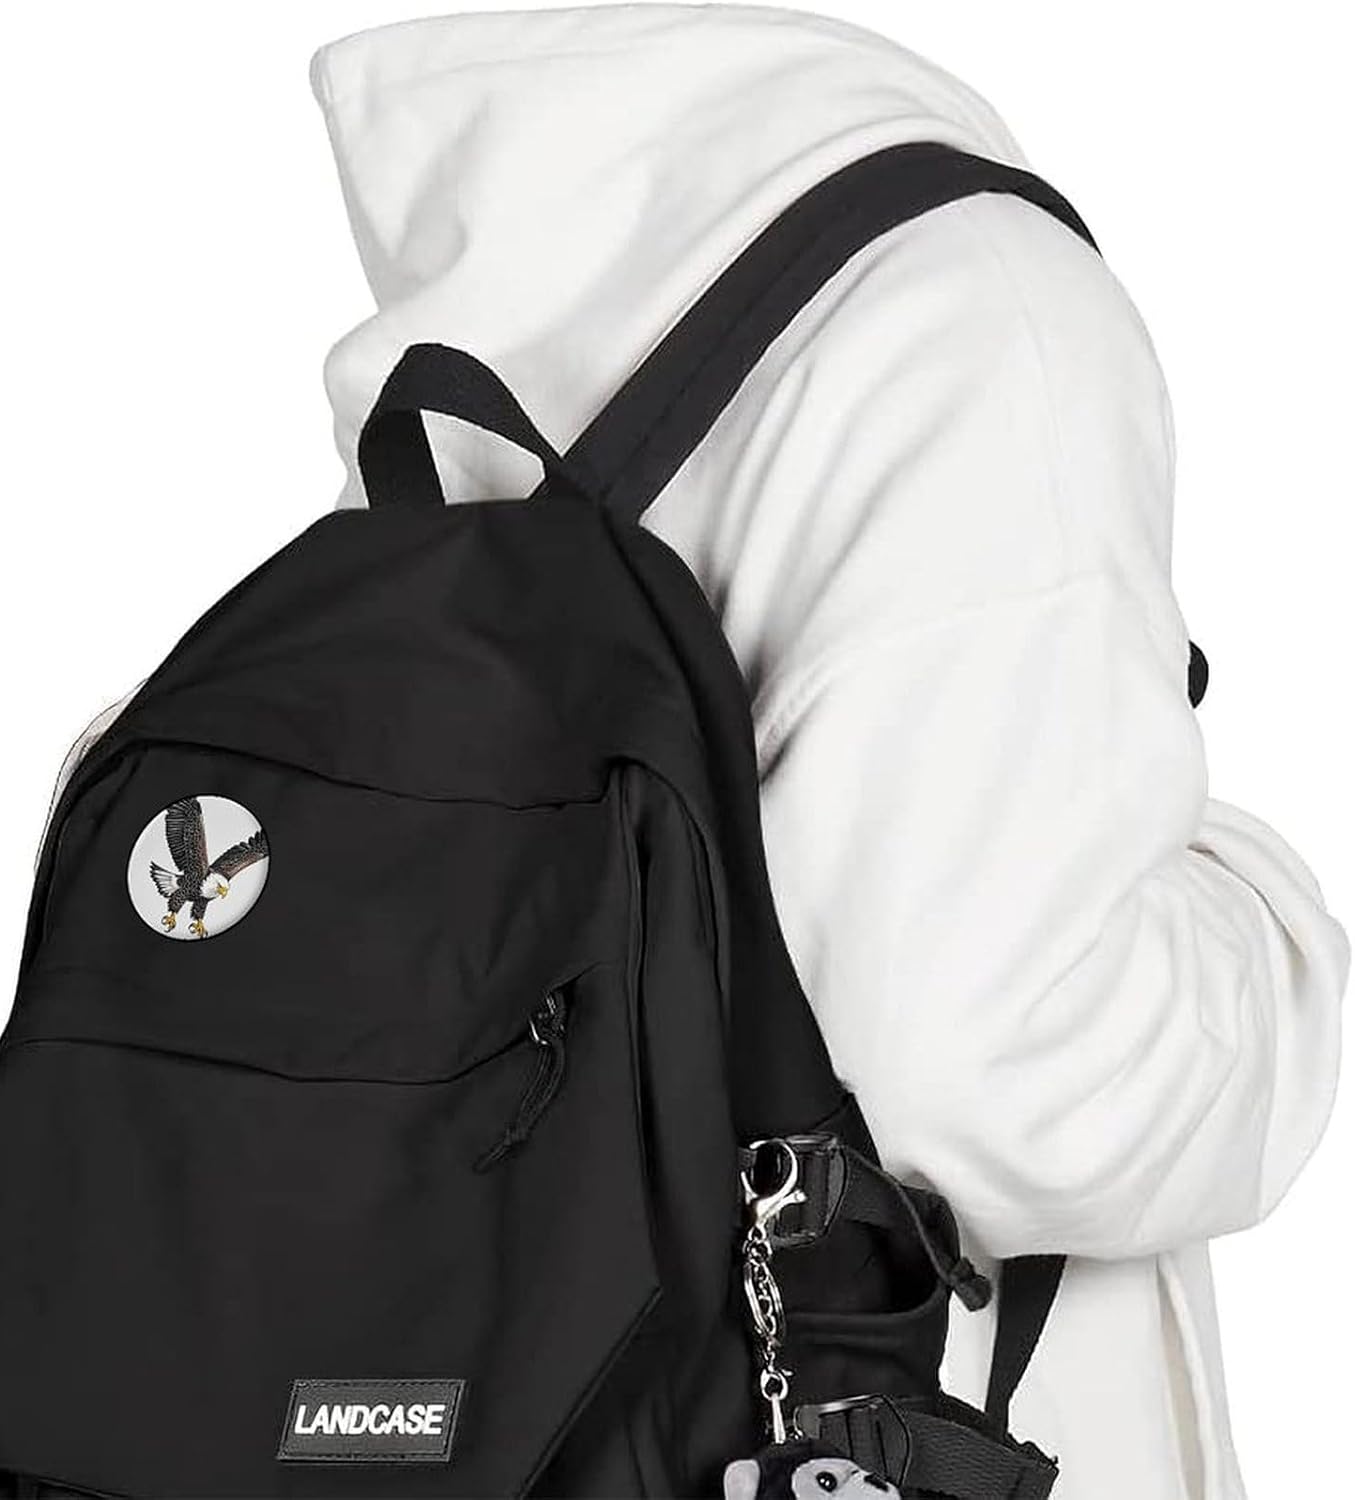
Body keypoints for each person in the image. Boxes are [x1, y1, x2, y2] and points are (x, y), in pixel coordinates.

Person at [297, 7, 1349, 1497]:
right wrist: (1267, 923)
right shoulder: (972, 313)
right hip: (878, 1420)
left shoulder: (499, 279)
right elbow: (1008, 1071)